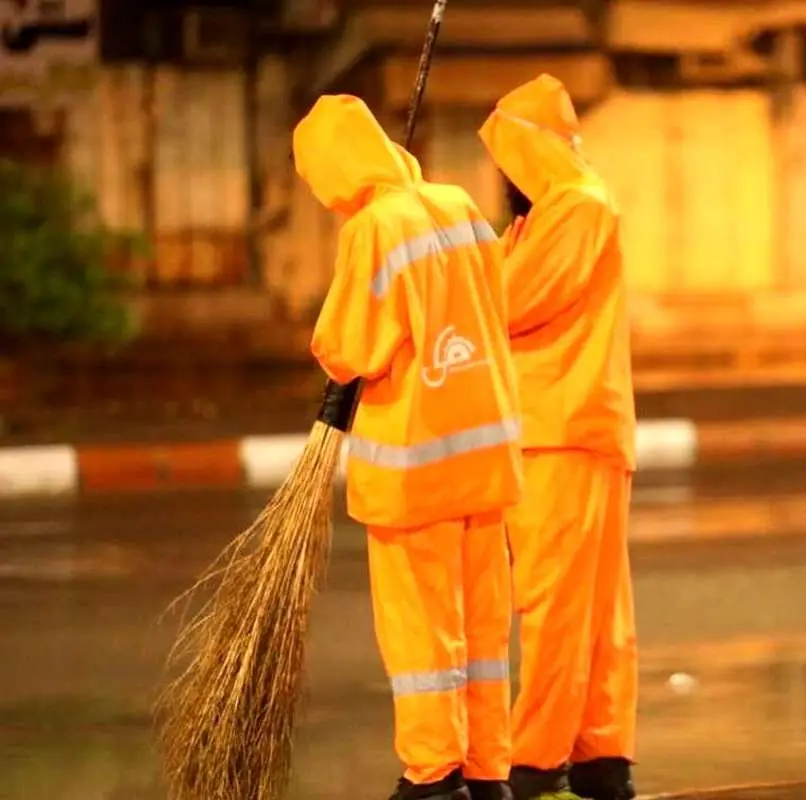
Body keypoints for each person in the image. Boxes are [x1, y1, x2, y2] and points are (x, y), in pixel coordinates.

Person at [294, 94, 522, 800]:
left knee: (422, 631)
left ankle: (432, 776)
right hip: (485, 456)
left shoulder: (374, 228)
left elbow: (348, 346)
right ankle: (487, 770)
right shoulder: (459, 205)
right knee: (483, 629)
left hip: (416, 466)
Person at [478, 74, 639, 800]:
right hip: (569, 427)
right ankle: (600, 757)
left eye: (504, 161)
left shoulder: (575, 206)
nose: (500, 179)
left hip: (561, 429)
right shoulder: (542, 219)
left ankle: (534, 761)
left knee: (553, 603)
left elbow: (506, 302)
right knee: (594, 609)